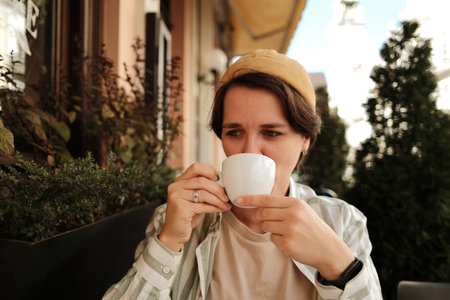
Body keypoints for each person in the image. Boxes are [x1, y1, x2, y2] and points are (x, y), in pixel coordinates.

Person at [103, 49, 382, 299]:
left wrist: (339, 266)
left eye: (271, 133)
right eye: (234, 132)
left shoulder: (343, 223)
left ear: (305, 139)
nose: (250, 150)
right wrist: (168, 243)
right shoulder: (181, 220)